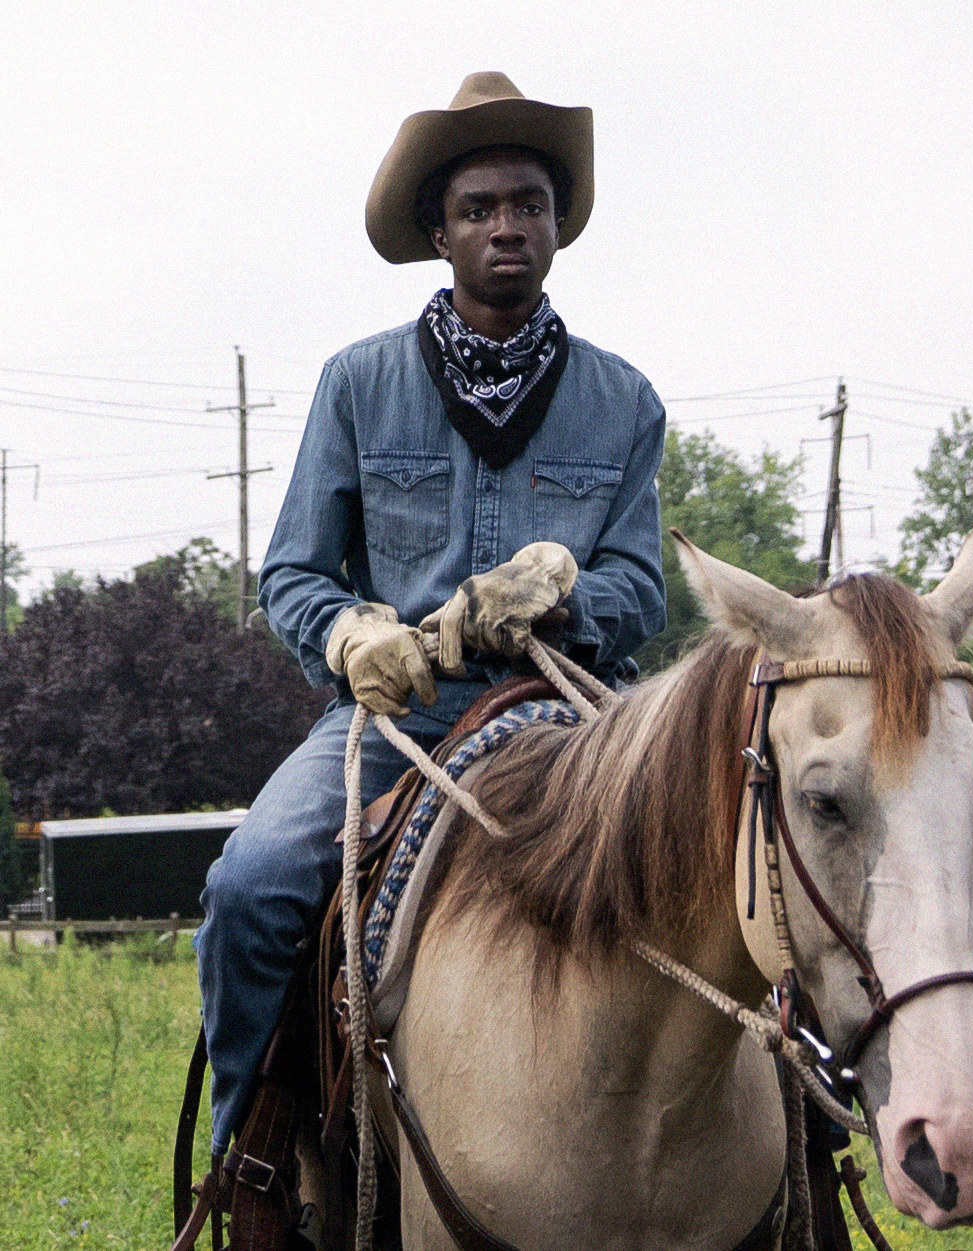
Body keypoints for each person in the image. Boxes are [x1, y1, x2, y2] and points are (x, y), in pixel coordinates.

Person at [194, 71, 667, 1162]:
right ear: (440, 234)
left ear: (557, 228)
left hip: (577, 708)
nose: (509, 225)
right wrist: (354, 634)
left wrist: (568, 596)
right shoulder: (358, 384)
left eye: (530, 206)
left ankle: (806, 1152)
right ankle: (252, 1164)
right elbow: (294, 574)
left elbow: (641, 587)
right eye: (480, 209)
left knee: (742, 859)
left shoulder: (625, 400)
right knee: (252, 886)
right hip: (398, 716)